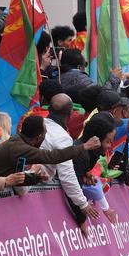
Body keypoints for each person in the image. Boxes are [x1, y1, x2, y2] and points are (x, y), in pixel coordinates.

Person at [40, 94, 99, 230]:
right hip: (34, 189)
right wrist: (83, 204)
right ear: (71, 114)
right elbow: (67, 176)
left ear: (49, 108)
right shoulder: (62, 137)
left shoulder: (36, 123)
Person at [0, 115, 100, 177]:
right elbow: (52, 156)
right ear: (38, 137)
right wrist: (84, 146)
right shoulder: (19, 148)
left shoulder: (17, 141)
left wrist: (36, 179)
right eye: (45, 135)